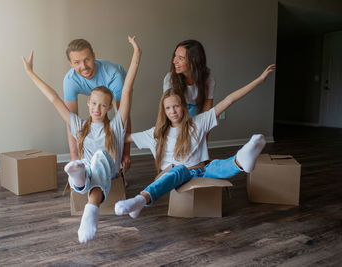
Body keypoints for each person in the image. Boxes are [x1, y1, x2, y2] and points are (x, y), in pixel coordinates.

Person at [115, 64, 276, 219]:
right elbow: (124, 136)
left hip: (201, 170)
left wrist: (259, 80)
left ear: (183, 106)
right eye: (168, 108)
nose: (173, 111)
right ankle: (140, 200)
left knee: (217, 166)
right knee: (180, 170)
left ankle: (241, 161)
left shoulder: (198, 122)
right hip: (177, 173)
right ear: (163, 111)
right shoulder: (156, 133)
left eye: (176, 106)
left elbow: (229, 100)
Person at [22, 36, 141, 243]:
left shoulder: (116, 126)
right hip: (87, 169)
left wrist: (136, 54)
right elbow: (54, 98)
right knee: (84, 166)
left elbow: (128, 88)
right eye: (94, 104)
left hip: (108, 168)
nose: (97, 109)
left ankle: (90, 208)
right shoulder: (78, 125)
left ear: (110, 108)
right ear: (88, 104)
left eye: (103, 105)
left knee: (100, 157)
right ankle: (78, 175)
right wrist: (31, 73)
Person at [64, 38, 132, 174]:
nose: (83, 66)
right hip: (95, 90)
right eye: (77, 62)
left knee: (115, 125)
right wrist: (74, 156)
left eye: (87, 59)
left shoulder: (113, 75)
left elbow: (124, 119)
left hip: (114, 84)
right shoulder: (70, 80)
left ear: (94, 56)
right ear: (70, 63)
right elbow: (70, 120)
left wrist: (126, 154)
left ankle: (114, 169)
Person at [163, 39, 215, 117]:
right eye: (175, 56)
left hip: (198, 116)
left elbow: (206, 111)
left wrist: (202, 127)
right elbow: (169, 110)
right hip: (176, 115)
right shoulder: (169, 79)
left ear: (193, 62)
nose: (174, 61)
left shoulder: (208, 79)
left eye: (181, 58)